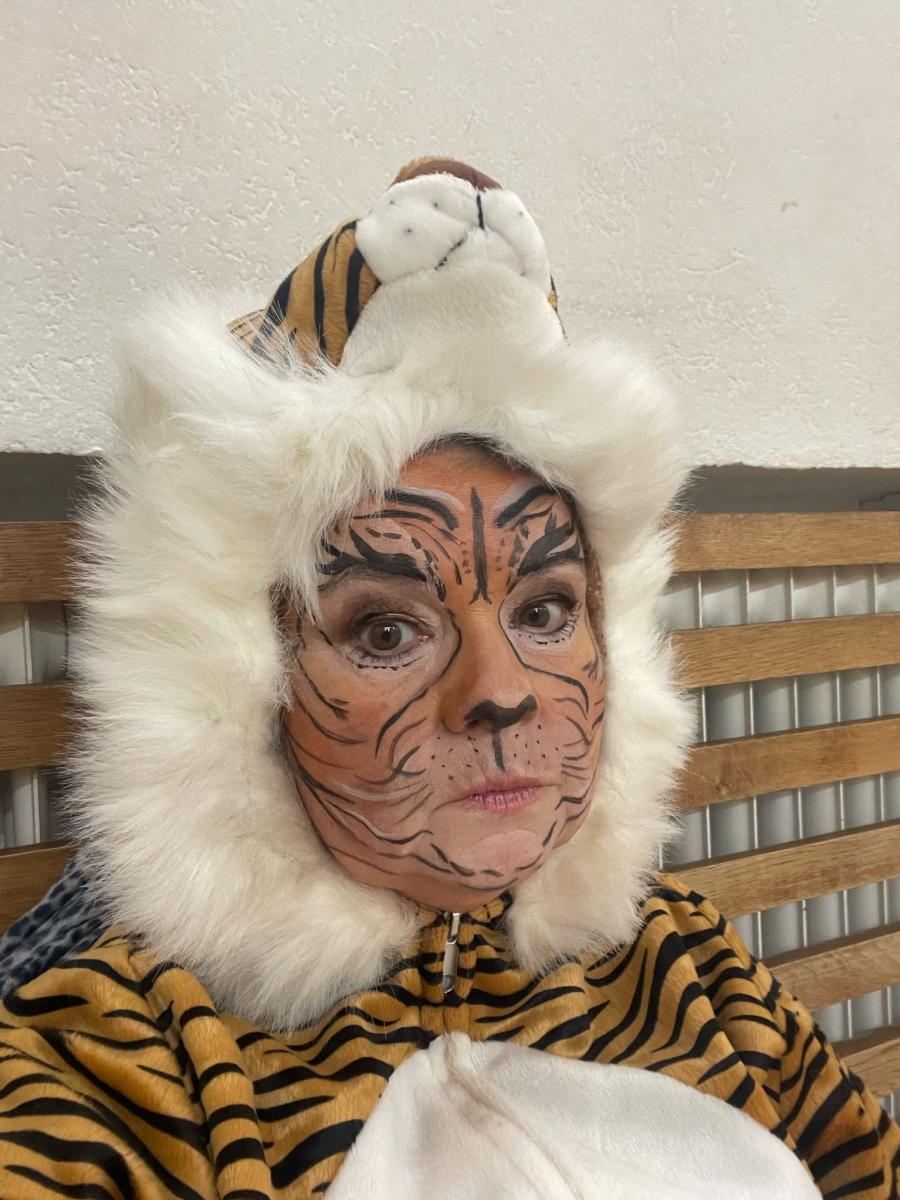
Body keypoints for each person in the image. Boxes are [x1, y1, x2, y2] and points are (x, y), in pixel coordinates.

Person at [0, 157, 896, 1200]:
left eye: (546, 611)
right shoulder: (130, 1060)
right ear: (238, 697)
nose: (500, 691)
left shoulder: (688, 959)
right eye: (386, 629)